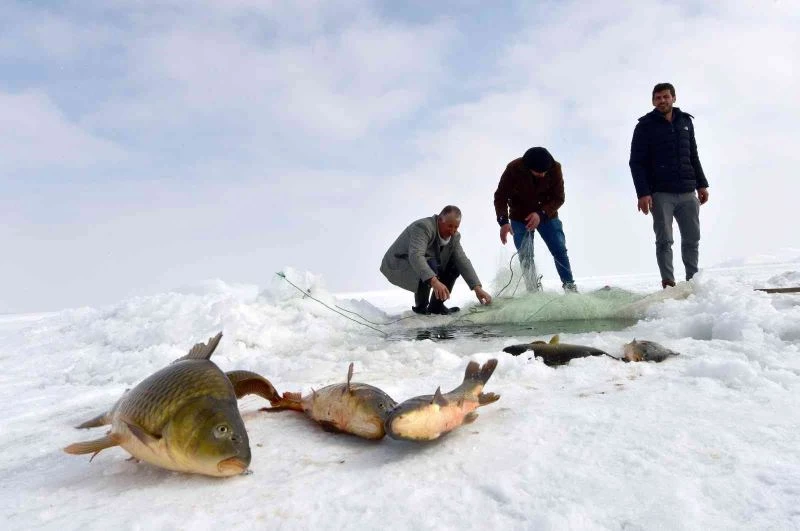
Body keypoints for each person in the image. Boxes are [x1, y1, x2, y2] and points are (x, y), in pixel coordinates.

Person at [629, 82, 710, 289]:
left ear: (674, 98)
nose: (662, 100)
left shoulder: (685, 121)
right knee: (664, 240)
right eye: (658, 98)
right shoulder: (644, 126)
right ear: (653, 101)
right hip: (660, 193)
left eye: (666, 96)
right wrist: (643, 193)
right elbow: (636, 163)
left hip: (688, 191)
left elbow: (693, 155)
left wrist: (701, 184)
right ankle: (668, 283)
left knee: (692, 238)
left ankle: (692, 281)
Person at [493, 147, 577, 293]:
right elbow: (500, 196)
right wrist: (503, 222)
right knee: (526, 256)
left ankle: (570, 286)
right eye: (539, 172)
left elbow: (559, 198)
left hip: (547, 216)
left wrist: (541, 214)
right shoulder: (513, 168)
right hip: (519, 217)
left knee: (559, 250)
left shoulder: (555, 168)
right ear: (528, 168)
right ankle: (532, 292)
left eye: (545, 172)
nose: (543, 174)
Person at [380, 205, 492, 315]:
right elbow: (416, 256)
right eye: (450, 226)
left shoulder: (454, 237)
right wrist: (434, 281)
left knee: (454, 265)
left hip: (426, 263)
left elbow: (462, 260)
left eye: (456, 227)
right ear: (440, 220)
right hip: (399, 263)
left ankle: (436, 306)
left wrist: (477, 288)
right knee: (430, 264)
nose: (452, 231)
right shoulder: (423, 227)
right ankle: (421, 307)